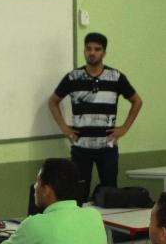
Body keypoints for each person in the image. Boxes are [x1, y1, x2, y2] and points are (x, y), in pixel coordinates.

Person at [47, 32, 143, 202]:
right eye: (88, 48)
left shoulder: (116, 77)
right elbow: (53, 101)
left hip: (107, 147)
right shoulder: (73, 77)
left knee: (111, 195)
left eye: (97, 49)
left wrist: (124, 128)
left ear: (104, 52)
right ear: (84, 50)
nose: (92, 52)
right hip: (80, 147)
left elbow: (137, 101)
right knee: (78, 195)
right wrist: (65, 128)